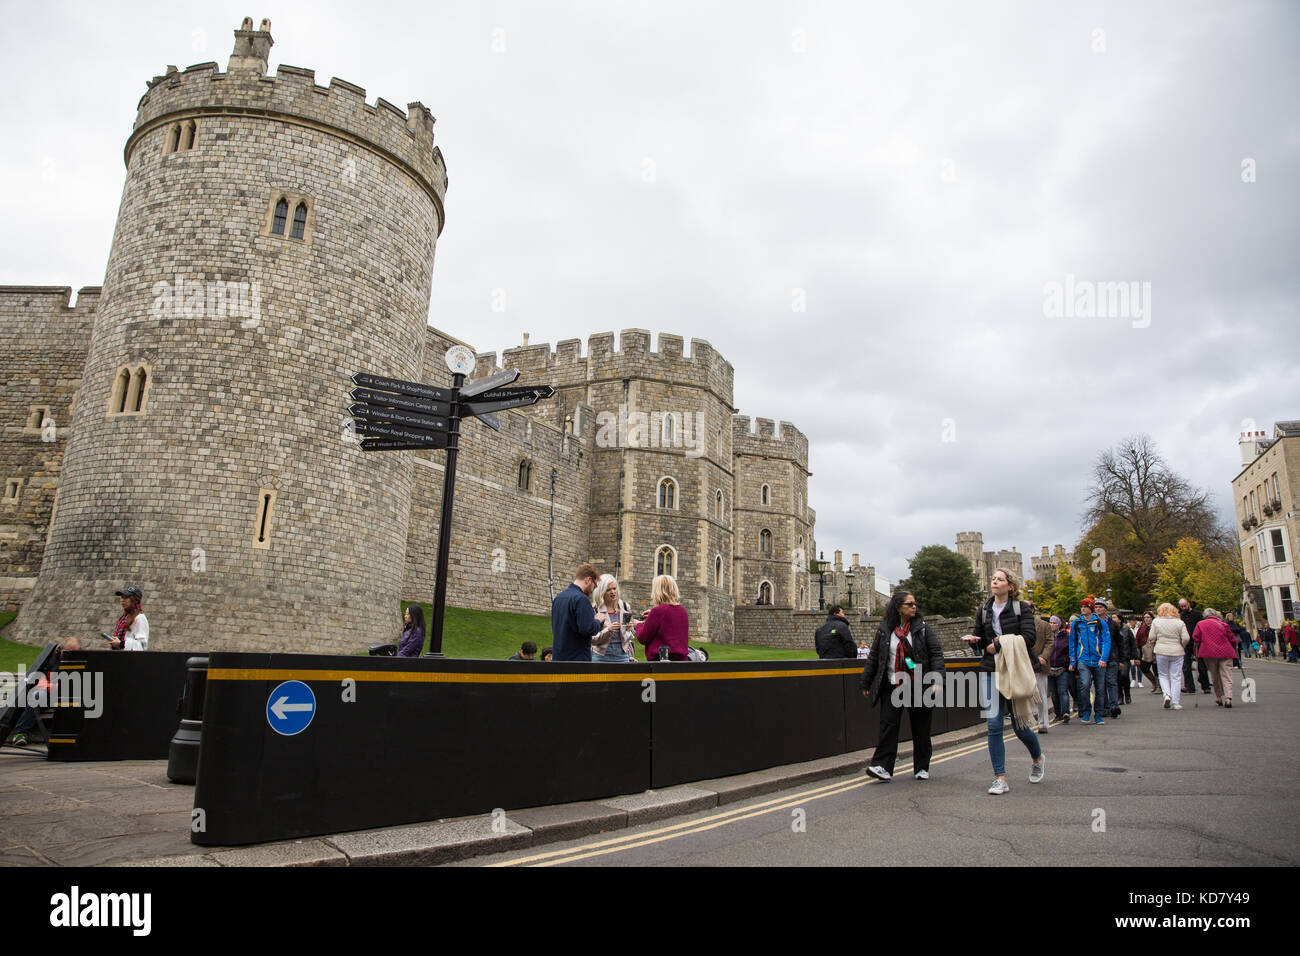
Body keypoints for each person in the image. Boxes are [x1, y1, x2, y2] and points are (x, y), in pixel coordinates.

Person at [966, 568, 1044, 794]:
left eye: (1000, 579)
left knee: (1020, 726)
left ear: (1010, 586)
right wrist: (975, 642)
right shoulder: (984, 610)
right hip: (991, 670)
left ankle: (1037, 758)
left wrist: (999, 643)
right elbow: (981, 640)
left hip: (1015, 669)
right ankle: (1000, 777)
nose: (995, 582)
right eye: (993, 579)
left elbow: (1029, 638)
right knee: (993, 724)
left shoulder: (1021, 609)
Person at [861, 592, 944, 781]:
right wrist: (866, 681)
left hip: (918, 685)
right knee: (888, 727)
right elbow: (875, 657)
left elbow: (936, 654)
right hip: (893, 685)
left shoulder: (922, 628)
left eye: (915, 603)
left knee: (921, 729)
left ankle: (922, 767)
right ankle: (882, 767)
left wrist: (938, 679)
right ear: (898, 607)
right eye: (910, 604)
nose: (914, 607)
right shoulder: (885, 629)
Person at [9, 637, 81, 747]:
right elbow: (40, 675)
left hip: (69, 697)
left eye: (75, 652)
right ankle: (21, 733)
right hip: (49, 696)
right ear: (61, 649)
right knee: (36, 696)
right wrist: (43, 682)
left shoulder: (81, 660)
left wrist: (51, 686)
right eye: (69, 651)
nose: (72, 654)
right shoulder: (51, 658)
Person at [550, 563, 611, 662]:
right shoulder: (582, 599)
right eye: (594, 585)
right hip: (577, 660)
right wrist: (598, 620)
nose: (593, 590)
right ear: (588, 580)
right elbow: (587, 629)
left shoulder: (559, 597)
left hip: (558, 658)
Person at [1069, 596, 1110, 724]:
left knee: (1100, 688)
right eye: (1082, 607)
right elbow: (1073, 643)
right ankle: (1086, 712)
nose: (1083, 609)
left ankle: (1098, 715)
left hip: (1098, 660)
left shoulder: (1100, 623)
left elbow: (1106, 642)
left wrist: (1104, 658)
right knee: (1085, 685)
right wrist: (1073, 661)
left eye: (1086, 607)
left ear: (1091, 609)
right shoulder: (1077, 623)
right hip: (1083, 660)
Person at [634, 574, 690, 661]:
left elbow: (643, 638)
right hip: (682, 662)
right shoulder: (683, 611)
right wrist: (652, 616)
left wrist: (638, 625)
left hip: (661, 662)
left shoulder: (658, 611)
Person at [1193, 609, 1240, 707]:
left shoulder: (1200, 624)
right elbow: (1233, 639)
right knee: (1227, 675)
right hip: (1226, 652)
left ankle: (1218, 697)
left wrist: (1196, 652)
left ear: (1205, 615)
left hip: (1209, 653)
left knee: (1215, 675)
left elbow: (1196, 638)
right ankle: (1228, 698)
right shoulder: (1223, 624)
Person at [1150, 602, 1190, 710]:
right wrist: (1182, 645)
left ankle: (1167, 695)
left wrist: (1155, 640)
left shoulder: (1156, 621)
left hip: (1161, 650)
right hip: (1177, 650)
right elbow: (1186, 638)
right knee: (1176, 676)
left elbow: (1151, 636)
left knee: (1163, 675)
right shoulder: (1179, 622)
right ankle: (1176, 702)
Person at [591, 574, 639, 662]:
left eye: (614, 588)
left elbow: (629, 635)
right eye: (608, 590)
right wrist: (608, 630)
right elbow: (591, 639)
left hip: (622, 654)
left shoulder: (625, 607)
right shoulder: (595, 609)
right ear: (601, 592)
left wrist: (630, 628)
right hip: (601, 656)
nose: (613, 592)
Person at [1179, 599, 1210, 693]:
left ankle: (1206, 686)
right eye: (1182, 606)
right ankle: (1189, 686)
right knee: (1186, 666)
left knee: (1201, 665)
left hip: (1197, 642)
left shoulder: (1197, 614)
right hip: (1186, 643)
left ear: (1188, 604)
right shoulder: (1181, 616)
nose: (1184, 608)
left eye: (1185, 606)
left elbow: (1202, 626)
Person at [1030, 605, 1053, 732]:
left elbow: (1050, 642)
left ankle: (1043, 723)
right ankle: (1025, 722)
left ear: (1032, 610)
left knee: (1041, 694)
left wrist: (1043, 657)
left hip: (1039, 663)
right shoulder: (1018, 626)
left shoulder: (1044, 625)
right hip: (1024, 664)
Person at [1047, 615, 1072, 725]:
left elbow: (1070, 651)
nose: (1052, 625)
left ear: (1059, 624)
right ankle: (1058, 714)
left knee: (1062, 691)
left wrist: (1067, 664)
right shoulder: (1047, 637)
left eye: (1054, 623)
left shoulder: (1066, 636)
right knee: (1054, 693)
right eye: (1050, 622)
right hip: (1049, 668)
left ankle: (1065, 712)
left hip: (1062, 668)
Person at [107, 586, 149, 650]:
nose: (122, 600)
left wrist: (121, 644)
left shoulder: (140, 617)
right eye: (122, 597)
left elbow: (142, 645)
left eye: (126, 597)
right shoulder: (124, 618)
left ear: (135, 600)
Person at [1136, 611, 1159, 692]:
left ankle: (1158, 685)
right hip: (1145, 650)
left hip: (1155, 649)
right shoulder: (1141, 628)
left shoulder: (1155, 626)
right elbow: (1137, 638)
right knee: (1144, 667)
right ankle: (1153, 682)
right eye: (1145, 617)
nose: (1146, 619)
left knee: (1156, 668)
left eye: (1148, 617)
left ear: (1152, 618)